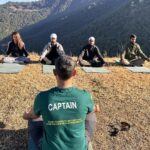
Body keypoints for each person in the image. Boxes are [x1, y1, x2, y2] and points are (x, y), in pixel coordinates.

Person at [23, 55, 97, 150]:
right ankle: (87, 142)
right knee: (91, 114)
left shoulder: (42, 97)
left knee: (34, 117)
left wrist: (25, 115)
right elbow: (93, 109)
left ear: (54, 72)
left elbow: (31, 116)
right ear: (75, 73)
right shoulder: (85, 96)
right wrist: (94, 108)